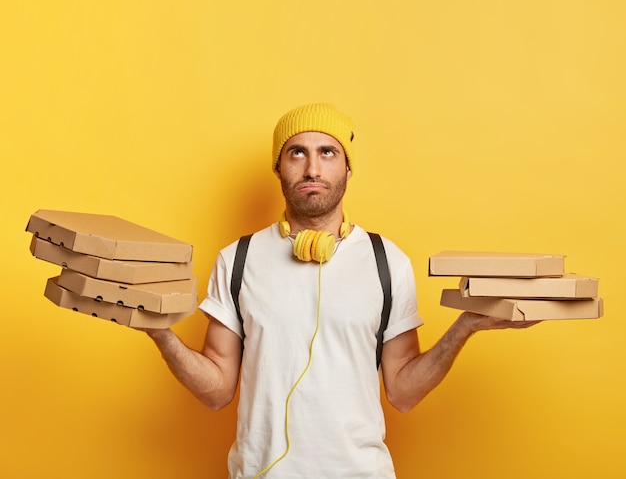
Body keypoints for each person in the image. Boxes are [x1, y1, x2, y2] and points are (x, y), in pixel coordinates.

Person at [144, 103, 537, 478]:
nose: (312, 168)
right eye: (297, 153)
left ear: (348, 168)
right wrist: (159, 331)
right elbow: (216, 391)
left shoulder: (388, 261)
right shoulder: (238, 259)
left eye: (328, 152)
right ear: (278, 168)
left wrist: (464, 326)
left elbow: (402, 392)